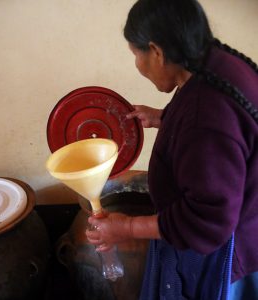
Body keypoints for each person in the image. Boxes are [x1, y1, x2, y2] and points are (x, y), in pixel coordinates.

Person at [86, 0, 258, 299]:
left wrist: (126, 227)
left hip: (223, 248)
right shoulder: (216, 63)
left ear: (157, 52)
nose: (137, 65)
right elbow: (226, 135)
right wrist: (163, 117)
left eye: (135, 55)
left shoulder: (204, 117)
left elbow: (207, 221)